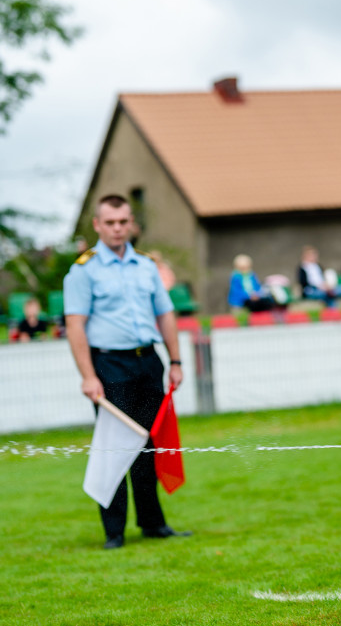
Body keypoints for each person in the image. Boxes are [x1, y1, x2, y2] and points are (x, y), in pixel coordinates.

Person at [63, 194, 191, 550]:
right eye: (110, 223)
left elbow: (165, 315)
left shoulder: (146, 266)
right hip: (110, 365)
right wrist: (89, 375)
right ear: (98, 225)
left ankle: (153, 524)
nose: (118, 229)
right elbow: (76, 326)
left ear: (130, 223)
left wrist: (176, 361)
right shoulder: (83, 271)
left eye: (123, 222)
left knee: (149, 443)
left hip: (148, 362)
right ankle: (114, 532)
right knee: (115, 446)